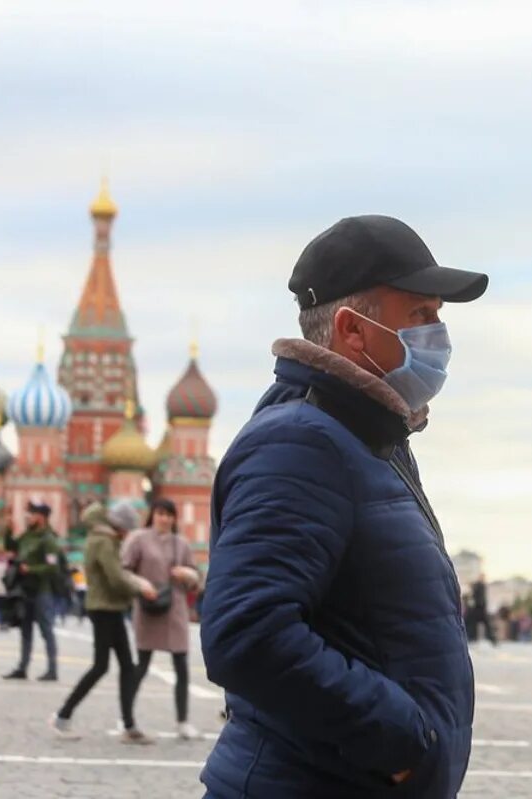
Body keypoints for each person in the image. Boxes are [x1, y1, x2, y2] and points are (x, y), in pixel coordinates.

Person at [199, 215, 487, 799]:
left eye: (439, 316)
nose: (439, 334)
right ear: (354, 331)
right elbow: (246, 631)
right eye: (420, 316)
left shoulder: (364, 437)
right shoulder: (301, 443)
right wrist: (402, 743)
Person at [51, 502, 157, 743]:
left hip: (108, 607)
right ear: (119, 526)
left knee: (125, 666)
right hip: (104, 607)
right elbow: (115, 577)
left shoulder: (101, 538)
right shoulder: (104, 541)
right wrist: (140, 589)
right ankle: (62, 715)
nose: (127, 534)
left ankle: (129, 725)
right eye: (127, 529)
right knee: (101, 666)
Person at [123, 498, 201, 740]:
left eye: (169, 515)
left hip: (175, 608)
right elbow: (123, 569)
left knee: (181, 665)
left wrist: (187, 574)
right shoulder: (138, 539)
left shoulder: (182, 544)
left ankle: (183, 721)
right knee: (142, 663)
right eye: (160, 513)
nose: (165, 519)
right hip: (148, 607)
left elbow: (196, 580)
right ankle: (127, 717)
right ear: (152, 515)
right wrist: (141, 584)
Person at [2, 500, 63, 681]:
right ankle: (22, 667)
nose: (28, 518)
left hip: (42, 591)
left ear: (42, 518)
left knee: (46, 630)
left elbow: (53, 567)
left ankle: (52, 669)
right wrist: (8, 530)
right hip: (25, 590)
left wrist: (32, 569)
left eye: (32, 514)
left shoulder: (49, 540)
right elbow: (11, 547)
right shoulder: (27, 537)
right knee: (25, 630)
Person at [467, 574, 496, 647]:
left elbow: (478, 597)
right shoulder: (479, 586)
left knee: (484, 624)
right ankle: (473, 638)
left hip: (480, 608)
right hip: (478, 608)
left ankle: (491, 639)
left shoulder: (480, 586)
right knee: (476, 624)